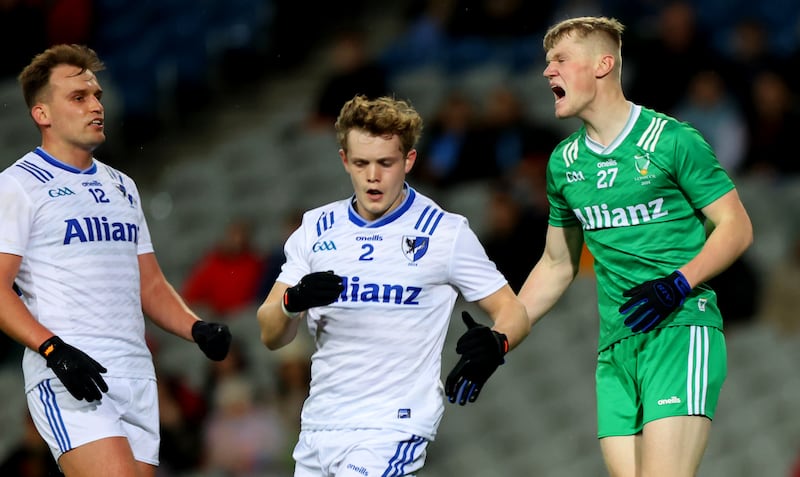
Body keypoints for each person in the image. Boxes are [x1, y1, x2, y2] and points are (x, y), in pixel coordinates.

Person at [517, 17, 753, 477]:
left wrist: (679, 283)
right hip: (616, 348)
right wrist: (502, 333)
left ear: (604, 64)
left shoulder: (672, 140)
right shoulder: (564, 164)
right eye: (547, 64)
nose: (548, 73)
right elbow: (556, 263)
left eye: (560, 61)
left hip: (679, 328)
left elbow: (736, 227)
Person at [256, 94, 530, 476]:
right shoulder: (315, 228)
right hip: (320, 426)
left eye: (386, 163)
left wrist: (497, 342)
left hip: (393, 426)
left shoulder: (444, 233)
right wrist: (291, 301)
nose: (373, 176)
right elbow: (271, 333)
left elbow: (512, 310)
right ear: (343, 161)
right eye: (361, 163)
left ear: (408, 161)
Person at [0, 44, 232, 477]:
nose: (95, 106)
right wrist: (52, 350)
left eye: (97, 95)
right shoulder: (17, 186)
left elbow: (150, 285)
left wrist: (194, 327)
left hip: (136, 374)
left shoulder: (122, 185)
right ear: (42, 114)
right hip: (70, 372)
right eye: (78, 97)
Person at [181, 218, 265, 319]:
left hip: (243, 316)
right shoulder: (212, 262)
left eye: (240, 235)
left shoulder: (256, 264)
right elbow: (190, 295)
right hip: (215, 317)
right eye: (233, 234)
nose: (236, 239)